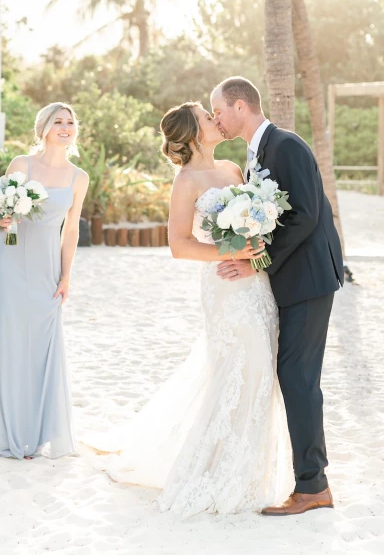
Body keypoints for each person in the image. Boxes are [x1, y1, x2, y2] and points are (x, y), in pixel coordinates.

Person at [87, 101, 291, 516]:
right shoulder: (186, 181)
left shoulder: (234, 169)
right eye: (206, 116)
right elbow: (179, 245)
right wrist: (230, 250)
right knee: (238, 367)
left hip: (255, 282)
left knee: (260, 369)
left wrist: (254, 252)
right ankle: (216, 470)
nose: (216, 119)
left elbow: (257, 223)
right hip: (224, 286)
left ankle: (250, 470)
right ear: (194, 133)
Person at [209, 77, 344, 516]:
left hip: (308, 280)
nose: (216, 119)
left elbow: (305, 216)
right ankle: (312, 481)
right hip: (290, 283)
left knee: (299, 379)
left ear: (241, 105)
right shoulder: (257, 154)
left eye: (219, 111)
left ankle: (313, 486)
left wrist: (257, 263)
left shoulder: (286, 146)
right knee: (295, 378)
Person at [0, 103, 88, 460]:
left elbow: (70, 230)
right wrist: (5, 216)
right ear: (43, 127)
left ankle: (40, 435)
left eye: (70, 122)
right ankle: (13, 436)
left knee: (43, 348)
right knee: (13, 347)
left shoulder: (79, 177)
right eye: (58, 121)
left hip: (47, 271)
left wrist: (66, 276)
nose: (65, 127)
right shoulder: (21, 165)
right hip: (11, 265)